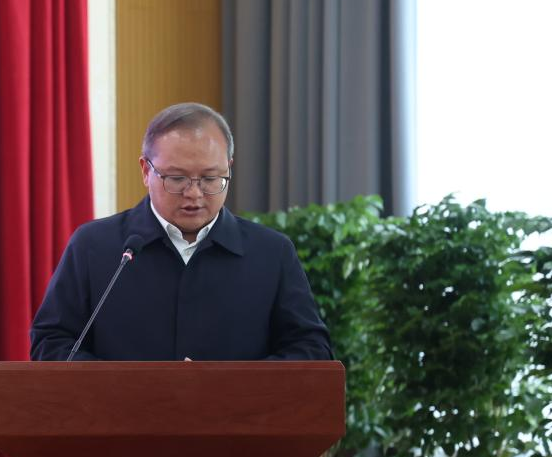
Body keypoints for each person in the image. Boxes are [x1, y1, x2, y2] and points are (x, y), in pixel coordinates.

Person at [30, 102, 331, 361]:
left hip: (238, 412)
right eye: (176, 178)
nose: (194, 194)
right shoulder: (94, 246)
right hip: (121, 412)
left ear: (229, 168)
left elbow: (311, 350)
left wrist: (234, 387)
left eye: (210, 179)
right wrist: (126, 388)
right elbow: (52, 343)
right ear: (146, 171)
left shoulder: (271, 253)